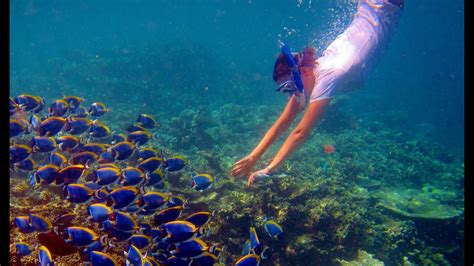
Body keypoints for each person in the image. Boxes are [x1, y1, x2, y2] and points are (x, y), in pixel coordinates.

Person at [231, 0, 404, 186]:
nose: (293, 94)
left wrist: (269, 169)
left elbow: (300, 132)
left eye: (292, 87)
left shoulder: (328, 76)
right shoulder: (311, 73)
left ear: (302, 72)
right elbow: (283, 121)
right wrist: (253, 157)